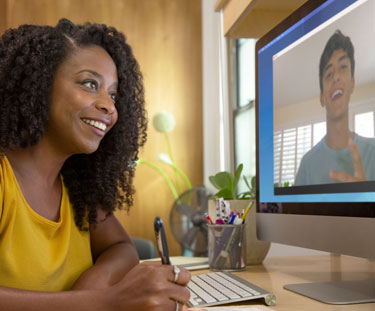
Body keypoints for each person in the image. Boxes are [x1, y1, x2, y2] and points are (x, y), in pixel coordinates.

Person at [0, 18, 190, 310]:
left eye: (112, 94)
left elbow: (122, 248)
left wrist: (91, 286)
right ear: (38, 84)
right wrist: (103, 301)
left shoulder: (77, 189)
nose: (109, 107)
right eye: (90, 84)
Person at [295, 30, 375, 186]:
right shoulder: (307, 165)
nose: (336, 76)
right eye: (329, 74)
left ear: (352, 83)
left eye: (343, 67)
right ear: (322, 98)